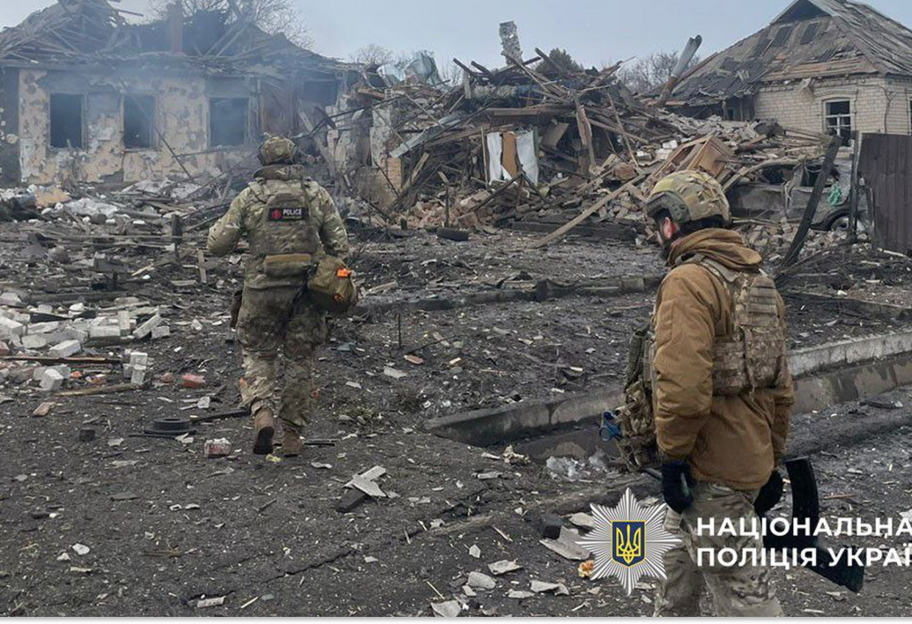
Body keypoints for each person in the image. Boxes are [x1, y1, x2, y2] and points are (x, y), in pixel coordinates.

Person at [643, 171, 794, 618]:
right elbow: (781, 387)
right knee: (674, 580)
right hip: (742, 461)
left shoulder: (688, 281)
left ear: (670, 223)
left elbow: (684, 389)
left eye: (659, 225)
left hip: (707, 471)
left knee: (747, 600)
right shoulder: (759, 282)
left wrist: (672, 458)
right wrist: (770, 460)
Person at [207, 136, 349, 457]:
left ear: (264, 162)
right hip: (306, 295)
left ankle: (262, 412)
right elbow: (340, 246)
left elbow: (216, 244)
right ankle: (293, 435)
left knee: (259, 354)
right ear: (295, 160)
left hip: (261, 293)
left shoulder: (250, 196)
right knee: (300, 361)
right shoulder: (315, 194)